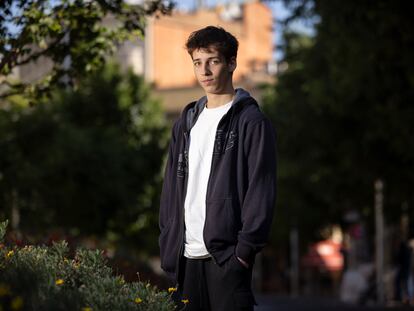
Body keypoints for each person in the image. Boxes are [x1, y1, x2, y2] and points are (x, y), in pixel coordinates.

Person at [159, 26, 277, 311]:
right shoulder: (185, 123)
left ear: (231, 63)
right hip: (184, 260)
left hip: (226, 259)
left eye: (213, 61)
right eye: (198, 63)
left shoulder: (251, 121)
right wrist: (167, 242)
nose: (205, 71)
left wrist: (244, 252)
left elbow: (261, 189)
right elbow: (170, 189)